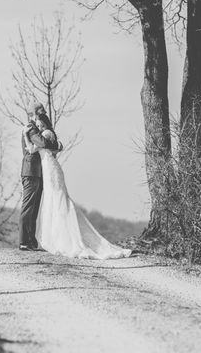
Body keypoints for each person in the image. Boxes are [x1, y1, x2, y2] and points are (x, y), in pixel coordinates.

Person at [23, 110, 131, 260]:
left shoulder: (47, 134)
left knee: (59, 200)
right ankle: (56, 238)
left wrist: (32, 135)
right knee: (51, 202)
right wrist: (25, 135)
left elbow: (42, 145)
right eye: (38, 125)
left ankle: (68, 240)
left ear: (46, 123)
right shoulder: (44, 134)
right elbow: (32, 149)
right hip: (46, 170)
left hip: (51, 169)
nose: (39, 127)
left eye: (41, 124)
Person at [19, 102, 59, 251]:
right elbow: (42, 142)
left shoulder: (39, 127)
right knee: (28, 207)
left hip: (39, 172)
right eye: (41, 110)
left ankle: (30, 240)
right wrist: (55, 143)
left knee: (34, 208)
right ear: (34, 113)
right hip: (30, 172)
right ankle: (23, 241)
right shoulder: (31, 128)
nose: (44, 113)